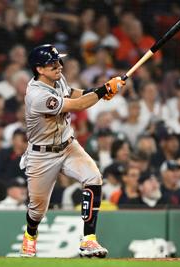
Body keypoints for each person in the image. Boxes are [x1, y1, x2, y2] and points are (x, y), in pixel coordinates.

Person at [19, 44, 125, 258]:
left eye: (58, 61)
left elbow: (73, 94)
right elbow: (76, 105)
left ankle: (89, 240)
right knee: (37, 210)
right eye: (52, 63)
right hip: (42, 154)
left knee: (93, 177)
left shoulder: (57, 79)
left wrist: (99, 92)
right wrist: (104, 90)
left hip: (68, 145)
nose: (59, 65)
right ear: (39, 69)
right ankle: (30, 236)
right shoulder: (37, 95)